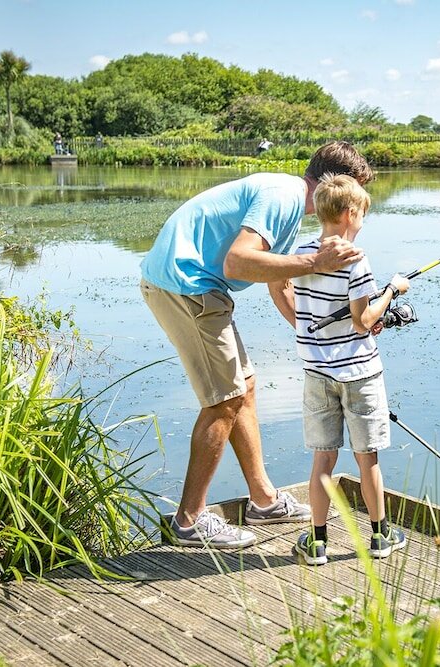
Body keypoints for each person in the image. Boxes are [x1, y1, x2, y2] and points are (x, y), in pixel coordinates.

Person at [140, 141, 374, 549]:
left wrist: (313, 331)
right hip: (186, 285)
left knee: (243, 387)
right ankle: (189, 522)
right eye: (354, 200)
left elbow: (275, 278)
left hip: (194, 285)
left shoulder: (287, 204)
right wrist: (316, 263)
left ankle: (264, 501)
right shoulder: (282, 197)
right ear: (337, 190)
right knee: (224, 399)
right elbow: (238, 262)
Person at [274, 173, 409, 566]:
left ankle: (317, 543)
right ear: (350, 215)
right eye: (363, 214)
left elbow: (286, 286)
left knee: (323, 459)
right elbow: (363, 320)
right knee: (368, 457)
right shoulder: (357, 259)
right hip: (360, 375)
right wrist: (391, 291)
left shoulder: (303, 253)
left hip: (317, 373)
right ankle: (381, 537)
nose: (363, 221)